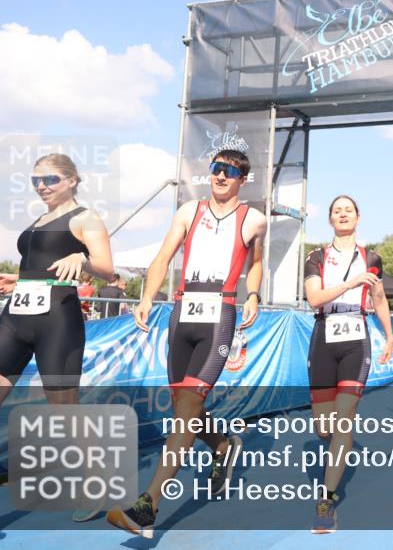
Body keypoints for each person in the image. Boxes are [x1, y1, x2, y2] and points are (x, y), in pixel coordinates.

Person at [107, 149, 266, 539]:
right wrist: (147, 297)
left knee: (188, 409)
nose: (221, 176)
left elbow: (256, 262)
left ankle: (147, 505)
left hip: (219, 316)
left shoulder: (254, 220)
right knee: (184, 408)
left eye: (230, 171)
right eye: (216, 169)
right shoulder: (188, 211)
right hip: (182, 314)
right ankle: (223, 444)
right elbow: (163, 256)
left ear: (243, 180)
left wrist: (253, 294)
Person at [0, 154, 114, 545]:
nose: (42, 187)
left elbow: (107, 269)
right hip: (15, 318)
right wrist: (18, 280)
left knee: (65, 412)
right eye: (35, 181)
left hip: (58, 322)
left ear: (72, 180)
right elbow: (42, 267)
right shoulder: (39, 221)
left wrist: (82, 258)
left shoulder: (85, 218)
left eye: (50, 179)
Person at [303, 195, 393, 533]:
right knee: (323, 429)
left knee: (344, 421)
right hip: (324, 337)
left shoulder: (372, 258)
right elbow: (314, 298)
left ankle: (326, 501)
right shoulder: (315, 257)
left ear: (358, 218)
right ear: (330, 219)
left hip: (357, 339)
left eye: (348, 210)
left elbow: (379, 298)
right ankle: (337, 450)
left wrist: (389, 336)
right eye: (336, 211)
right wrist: (351, 282)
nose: (343, 214)